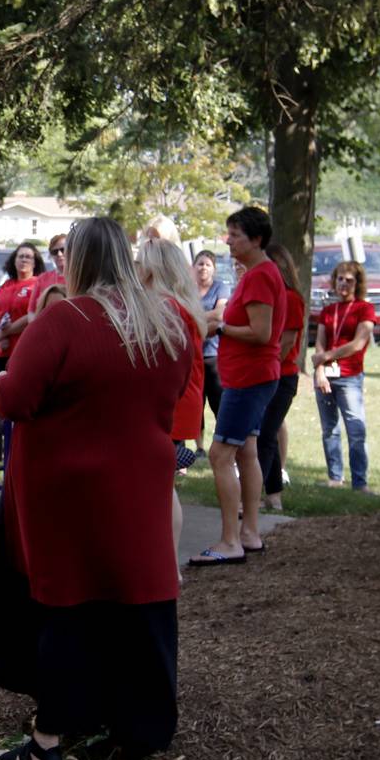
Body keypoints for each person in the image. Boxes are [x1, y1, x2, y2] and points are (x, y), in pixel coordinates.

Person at [0, 216, 192, 760]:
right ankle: (137, 730)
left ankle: (50, 739)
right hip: (142, 480)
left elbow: (16, 399)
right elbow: (174, 392)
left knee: (68, 607)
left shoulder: (64, 320)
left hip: (68, 489)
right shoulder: (168, 320)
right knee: (139, 601)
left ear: (75, 261)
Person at [190, 207, 286, 566]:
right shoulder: (256, 273)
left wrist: (221, 329)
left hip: (250, 379)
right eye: (228, 234)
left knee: (219, 455)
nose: (228, 241)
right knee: (246, 451)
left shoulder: (261, 275)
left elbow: (261, 333)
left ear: (257, 239)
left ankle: (230, 540)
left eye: (235, 235)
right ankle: (250, 533)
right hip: (248, 377)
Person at [136, 239, 206, 576]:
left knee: (163, 490)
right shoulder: (181, 304)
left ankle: (167, 564)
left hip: (171, 407)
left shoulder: (165, 307)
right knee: (165, 487)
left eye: (140, 263)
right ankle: (165, 561)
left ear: (152, 268)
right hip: (181, 404)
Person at [312, 259, 375, 493]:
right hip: (325, 377)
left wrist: (327, 356)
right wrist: (320, 371)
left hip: (350, 377)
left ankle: (360, 483)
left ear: (357, 283)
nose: (343, 284)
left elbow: (358, 344)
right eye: (340, 279)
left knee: (356, 431)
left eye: (349, 280)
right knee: (330, 429)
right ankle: (335, 478)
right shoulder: (328, 311)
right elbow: (319, 342)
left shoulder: (364, 309)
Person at [257, 244, 306, 509]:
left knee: (265, 435)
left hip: (281, 375)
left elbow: (287, 342)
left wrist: (265, 365)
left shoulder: (291, 298)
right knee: (268, 433)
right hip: (268, 372)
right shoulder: (271, 297)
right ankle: (274, 495)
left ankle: (250, 497)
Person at [0, 243, 45, 373]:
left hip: (25, 351)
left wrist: (3, 333)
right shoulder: (6, 284)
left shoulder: (38, 284)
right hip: (2, 350)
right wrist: (0, 336)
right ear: (14, 261)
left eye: (28, 257)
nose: (24, 259)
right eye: (20, 256)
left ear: (35, 263)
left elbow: (34, 314)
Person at [193, 249, 230, 444]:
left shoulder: (220, 288)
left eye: (208, 264)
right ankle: (199, 446)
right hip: (193, 354)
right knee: (196, 402)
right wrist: (206, 322)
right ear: (193, 267)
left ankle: (221, 441)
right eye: (200, 264)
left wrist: (194, 320)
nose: (203, 268)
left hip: (213, 354)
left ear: (214, 269)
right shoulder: (188, 289)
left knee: (218, 401)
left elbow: (221, 314)